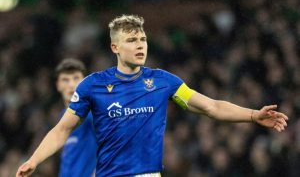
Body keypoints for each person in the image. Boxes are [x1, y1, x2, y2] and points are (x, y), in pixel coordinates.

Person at [16, 14, 288, 177]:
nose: (140, 45)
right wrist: (34, 160)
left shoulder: (163, 82)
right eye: (132, 40)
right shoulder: (92, 85)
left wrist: (253, 115)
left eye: (143, 39)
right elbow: (62, 130)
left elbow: (211, 107)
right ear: (115, 47)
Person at [55, 58, 97, 176]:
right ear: (58, 85)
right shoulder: (63, 115)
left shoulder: (91, 113)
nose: (71, 85)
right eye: (65, 80)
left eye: (76, 78)